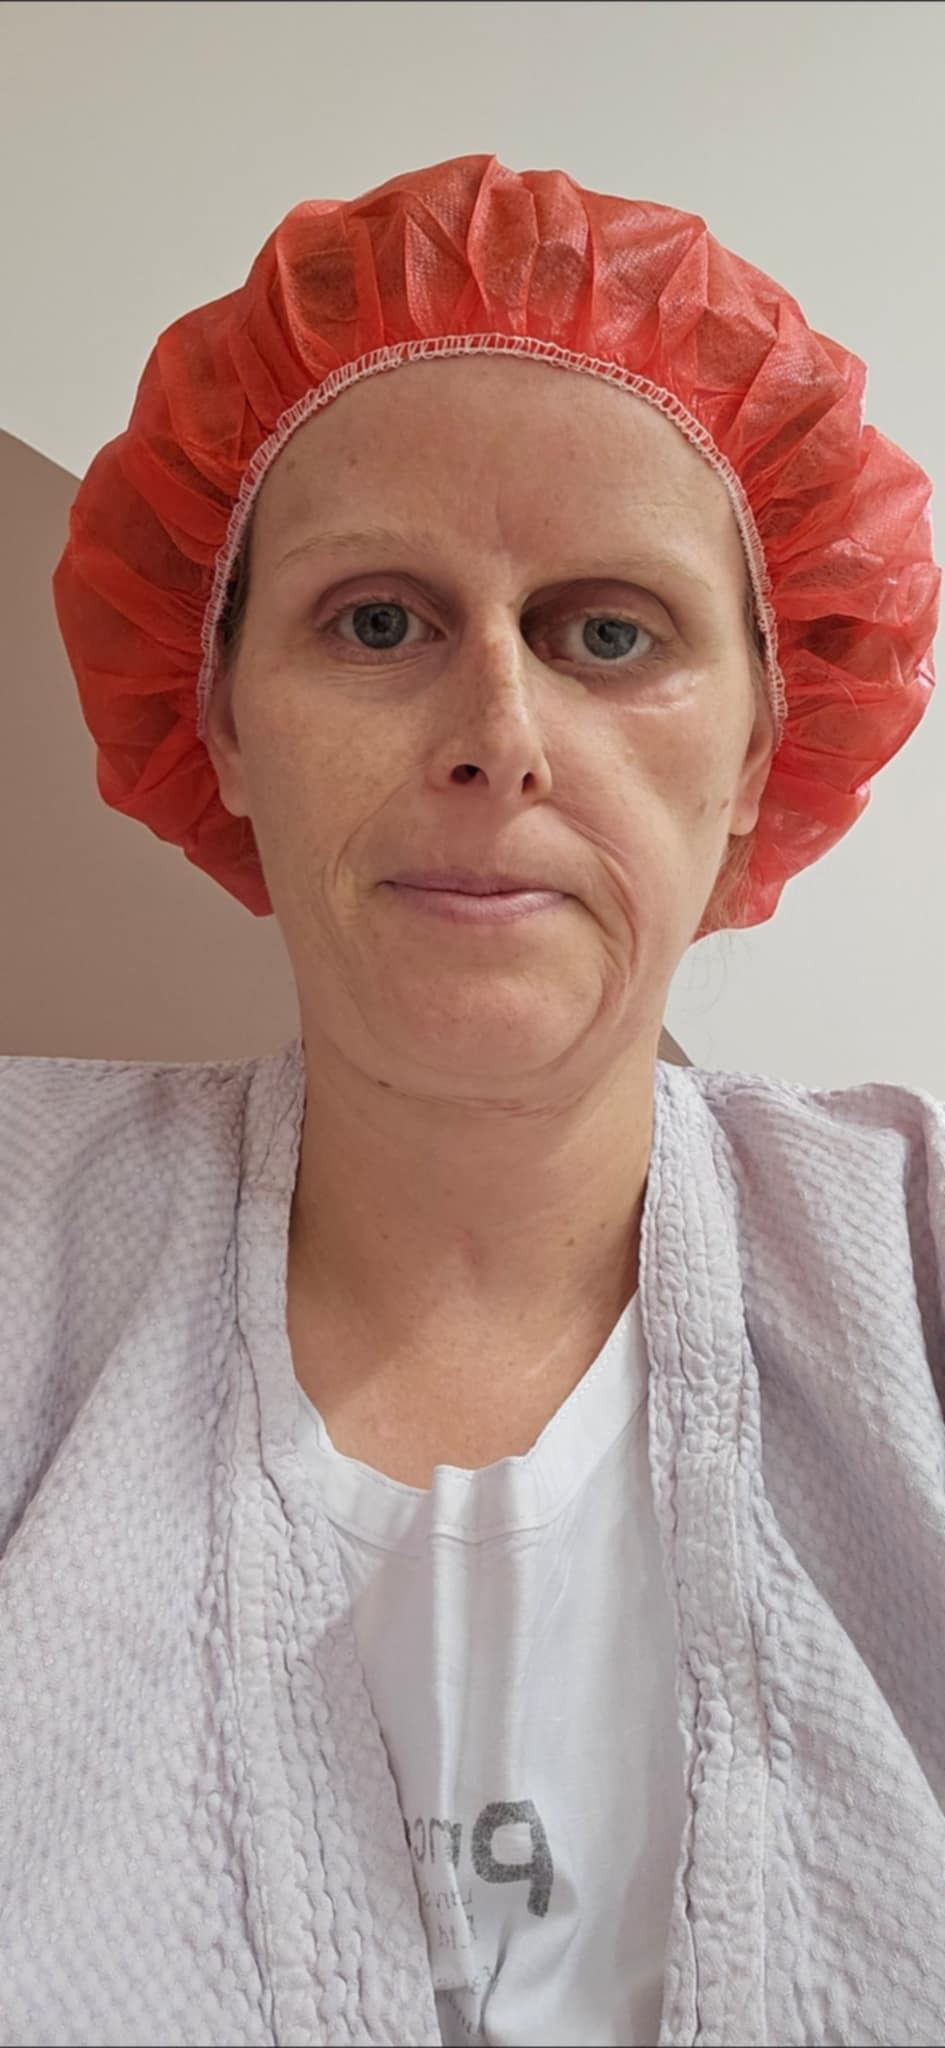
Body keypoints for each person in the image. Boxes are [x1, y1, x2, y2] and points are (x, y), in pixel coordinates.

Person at [1, 153, 943, 2048]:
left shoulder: (910, 1259)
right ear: (222, 718)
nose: (497, 736)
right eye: (376, 623)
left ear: (760, 747)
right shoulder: (26, 1234)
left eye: (610, 633)